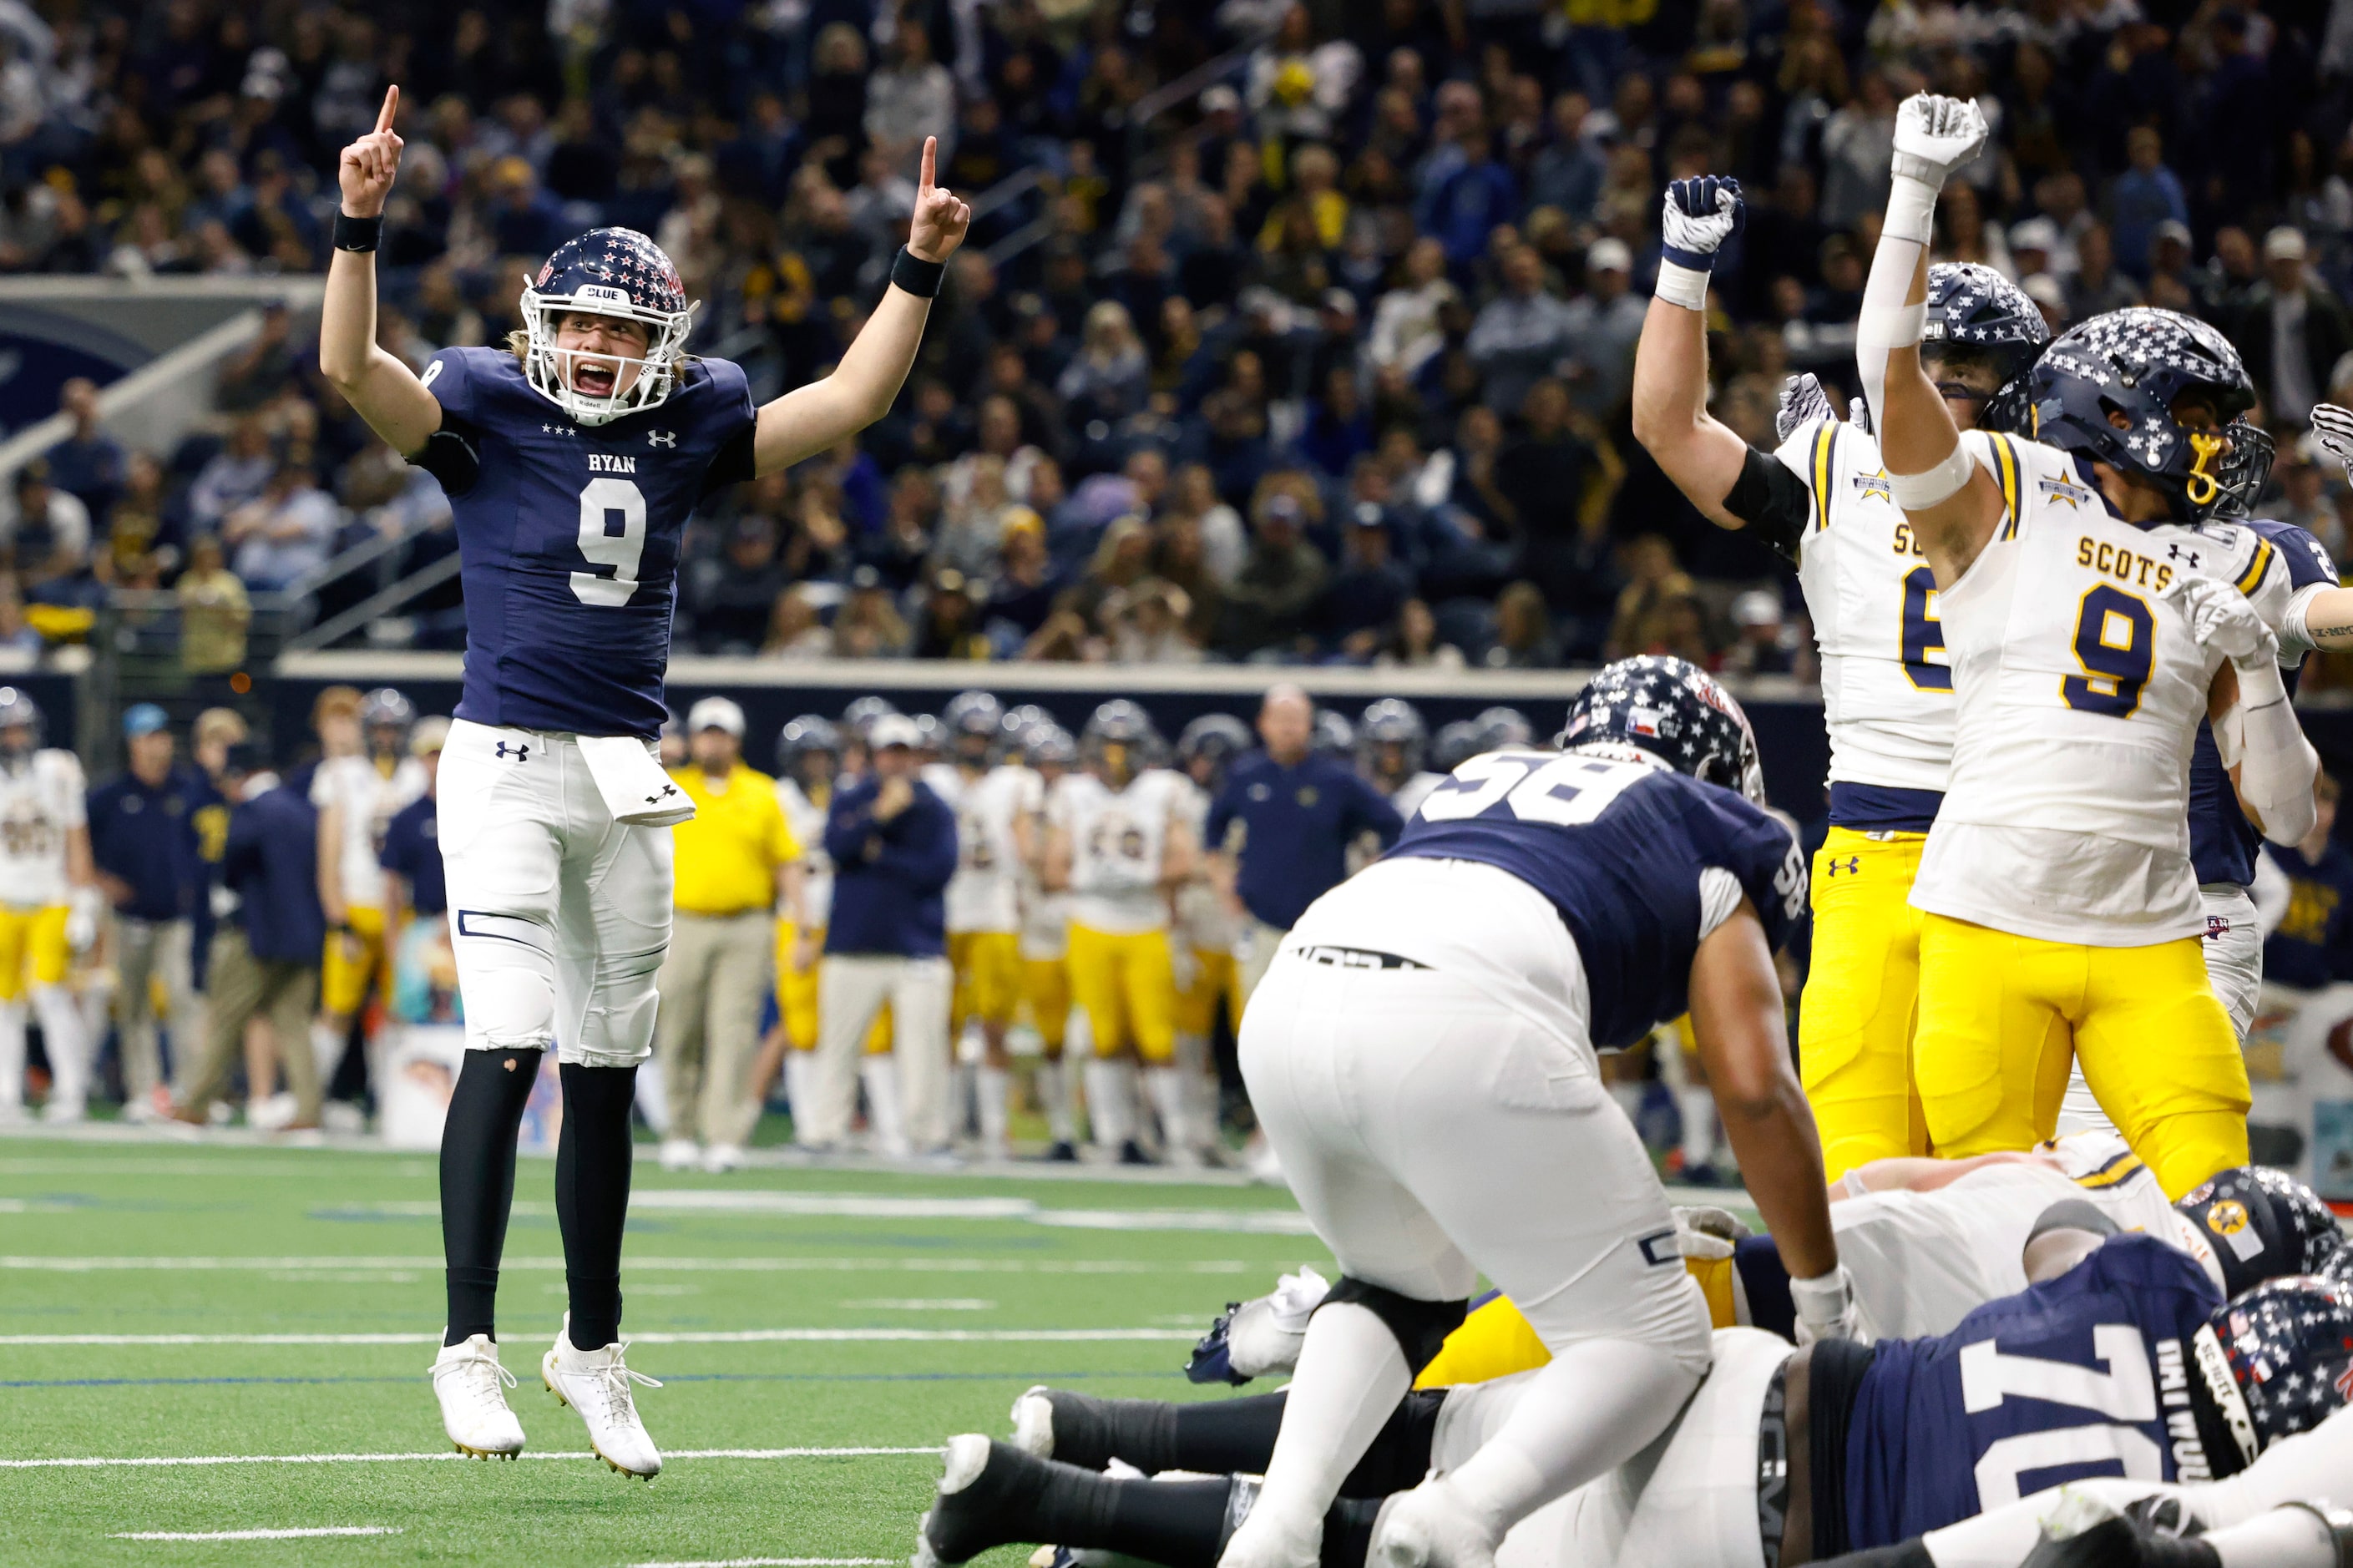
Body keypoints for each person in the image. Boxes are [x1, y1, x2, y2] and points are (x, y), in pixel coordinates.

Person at [316, 87, 969, 1474]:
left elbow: (850, 399)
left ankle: (592, 1350)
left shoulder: (692, 419)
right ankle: (465, 1346)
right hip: (501, 764)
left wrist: (916, 262)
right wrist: (356, 225)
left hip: (629, 776)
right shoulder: (484, 408)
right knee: (506, 1038)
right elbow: (355, 376)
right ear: (540, 322)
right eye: (587, 324)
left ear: (660, 338)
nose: (605, 348)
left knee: (609, 1075)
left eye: (625, 328)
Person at [1212, 657, 1846, 1568]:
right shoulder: (1707, 820)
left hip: (1294, 996)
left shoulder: (1477, 777)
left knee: (1399, 1282)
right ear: (1716, 765)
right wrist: (1823, 1300)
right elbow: (1752, 1086)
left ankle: (1279, 1526)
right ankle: (1457, 1519)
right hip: (1458, 1013)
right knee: (1657, 1342)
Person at [1858, 95, 2316, 1200]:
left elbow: (2290, 815)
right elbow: (1890, 380)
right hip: (1992, 908)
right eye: (2200, 416)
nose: (2219, 443)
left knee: (2210, 1208)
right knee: (1996, 1216)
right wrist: (1913, 192)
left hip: (2155, 926)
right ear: (2119, 414)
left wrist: (2255, 666)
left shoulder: (2218, 559)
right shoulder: (2011, 496)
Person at [916, 1234, 2353, 1568]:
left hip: (1760, 1383)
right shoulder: (2173, 1491)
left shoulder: (2119, 1296)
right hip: (1766, 1526)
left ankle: (1083, 1451)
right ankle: (1052, 1498)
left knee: (1442, 1430)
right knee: (1401, 1542)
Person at [1629, 171, 2049, 1181]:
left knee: (2000, 1167)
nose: (1943, 383)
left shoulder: (2055, 485)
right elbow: (1666, 430)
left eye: (1967, 367)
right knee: (1863, 1169)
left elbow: (1666, 427)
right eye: (1929, 361)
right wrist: (1684, 271)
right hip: (1889, 841)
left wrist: (1686, 269)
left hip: (2017, 847)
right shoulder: (1854, 469)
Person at [652, 696, 802, 1176]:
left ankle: (725, 1135)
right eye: (705, 733)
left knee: (733, 1032)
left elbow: (787, 863)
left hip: (747, 925)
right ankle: (678, 1131)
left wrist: (799, 926)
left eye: (720, 734)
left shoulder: (762, 793)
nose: (711, 742)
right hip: (684, 921)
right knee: (677, 1026)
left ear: (736, 740)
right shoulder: (671, 785)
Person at [1044, 701, 1198, 1164]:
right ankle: (1115, 1136)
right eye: (1110, 745)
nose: (1117, 756)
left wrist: (1145, 879)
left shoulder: (1165, 791)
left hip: (1145, 922)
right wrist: (1086, 881)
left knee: (1157, 1039)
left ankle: (1177, 1138)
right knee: (1104, 1037)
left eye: (1126, 746)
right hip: (1090, 921)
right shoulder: (1073, 794)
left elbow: (1185, 861)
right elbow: (1052, 867)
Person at [802, 714, 959, 1156]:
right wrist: (877, 817)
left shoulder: (934, 807)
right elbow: (836, 849)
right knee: (838, 1047)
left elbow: (937, 872)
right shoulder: (853, 799)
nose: (894, 760)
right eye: (888, 751)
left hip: (917, 948)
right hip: (854, 945)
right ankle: (825, 1131)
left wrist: (880, 855)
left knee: (924, 1051)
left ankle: (927, 1136)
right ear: (875, 755)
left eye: (903, 752)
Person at [1202, 685, 1403, 1003]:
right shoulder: (1245, 775)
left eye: (1296, 718)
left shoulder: (1337, 779)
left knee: (1319, 1015)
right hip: (1260, 920)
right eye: (1280, 718)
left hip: (1323, 927)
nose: (1288, 727)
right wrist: (1223, 883)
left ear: (1310, 724)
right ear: (1263, 723)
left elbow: (1392, 824)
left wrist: (1374, 876)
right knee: (1257, 1019)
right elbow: (1213, 829)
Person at [169, 742, 326, 1133]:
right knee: (293, 1024)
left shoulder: (253, 813)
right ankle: (308, 1111)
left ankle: (196, 1103)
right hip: (304, 935)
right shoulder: (304, 811)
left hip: (258, 935)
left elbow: (233, 868)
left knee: (226, 1019)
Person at [921, 691, 1035, 1161]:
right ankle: (943, 1125)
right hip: (944, 910)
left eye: (984, 735)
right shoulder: (935, 780)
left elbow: (1027, 850)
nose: (976, 743)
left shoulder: (1014, 783)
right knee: (941, 1024)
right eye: (969, 734)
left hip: (995, 912)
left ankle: (993, 1130)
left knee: (993, 1023)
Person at [86, 704, 206, 1122]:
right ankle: (143, 1089)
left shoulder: (186, 791)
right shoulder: (110, 797)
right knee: (134, 1006)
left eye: (161, 735)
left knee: (183, 1001)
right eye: (147, 737)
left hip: (176, 916)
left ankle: (190, 1090)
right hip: (128, 916)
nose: (157, 744)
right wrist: (101, 882)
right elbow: (78, 844)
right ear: (133, 743)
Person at [311, 686, 427, 1103]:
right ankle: (313, 1099)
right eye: (378, 727)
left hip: (407, 911)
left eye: (392, 728)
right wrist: (336, 914)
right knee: (337, 1011)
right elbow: (329, 852)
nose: (385, 736)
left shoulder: (419, 774)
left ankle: (395, 1104)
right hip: (357, 905)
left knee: (402, 1012)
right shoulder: (340, 774)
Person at [0, 689, 98, 1123]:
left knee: (50, 995)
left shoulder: (58, 770)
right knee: (4, 1002)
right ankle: (6, 1093)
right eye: (9, 732)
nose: (18, 740)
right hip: (5, 898)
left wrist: (84, 903)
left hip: (51, 898)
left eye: (23, 730)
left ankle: (71, 1091)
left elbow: (77, 839)